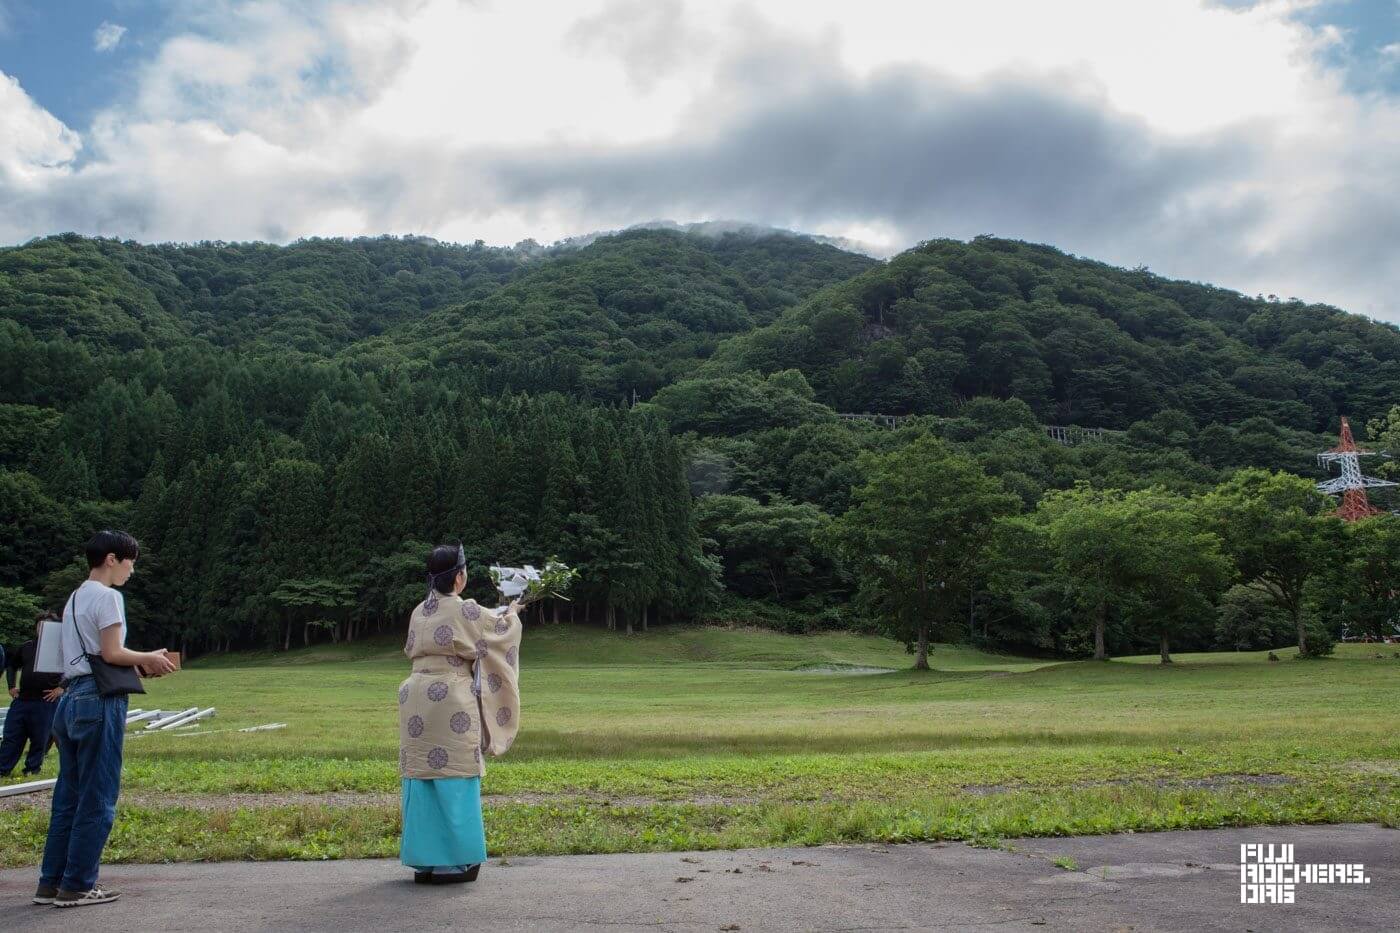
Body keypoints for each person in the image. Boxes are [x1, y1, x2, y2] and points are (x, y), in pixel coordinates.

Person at [35, 531, 177, 909]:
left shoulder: (75, 597)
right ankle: (79, 885)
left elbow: (86, 655)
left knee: (68, 796)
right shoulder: (109, 597)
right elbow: (112, 653)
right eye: (131, 562)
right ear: (112, 559)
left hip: (69, 700)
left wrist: (139, 661)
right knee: (98, 796)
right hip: (99, 702)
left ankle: (50, 882)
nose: (132, 571)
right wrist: (148, 656)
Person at [399, 543, 523, 885]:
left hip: (414, 696)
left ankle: (426, 862)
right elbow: (499, 631)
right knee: (455, 773)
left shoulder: (417, 611)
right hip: (450, 695)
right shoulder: (465, 608)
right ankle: (455, 862)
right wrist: (512, 612)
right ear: (459, 576)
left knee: (422, 775)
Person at [1, 612, 65, 777]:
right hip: (23, 699)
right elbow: (12, 666)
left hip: (46, 700)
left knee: (40, 738)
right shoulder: (27, 646)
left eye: (48, 626)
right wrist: (11, 686)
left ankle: (32, 769)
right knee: (12, 735)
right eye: (40, 625)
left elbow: (74, 669)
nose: (43, 629)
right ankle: (3, 769)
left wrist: (61, 688)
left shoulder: (62, 648)